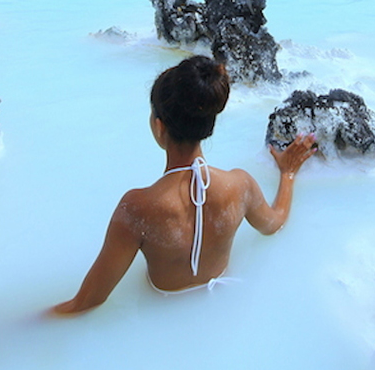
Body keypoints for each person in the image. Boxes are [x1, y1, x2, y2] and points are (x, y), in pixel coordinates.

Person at [49, 56, 316, 314]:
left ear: (159, 126)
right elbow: (275, 223)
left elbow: (88, 301)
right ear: (208, 124)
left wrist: (24, 326)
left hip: (159, 315)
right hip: (222, 311)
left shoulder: (137, 208)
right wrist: (288, 173)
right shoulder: (239, 185)